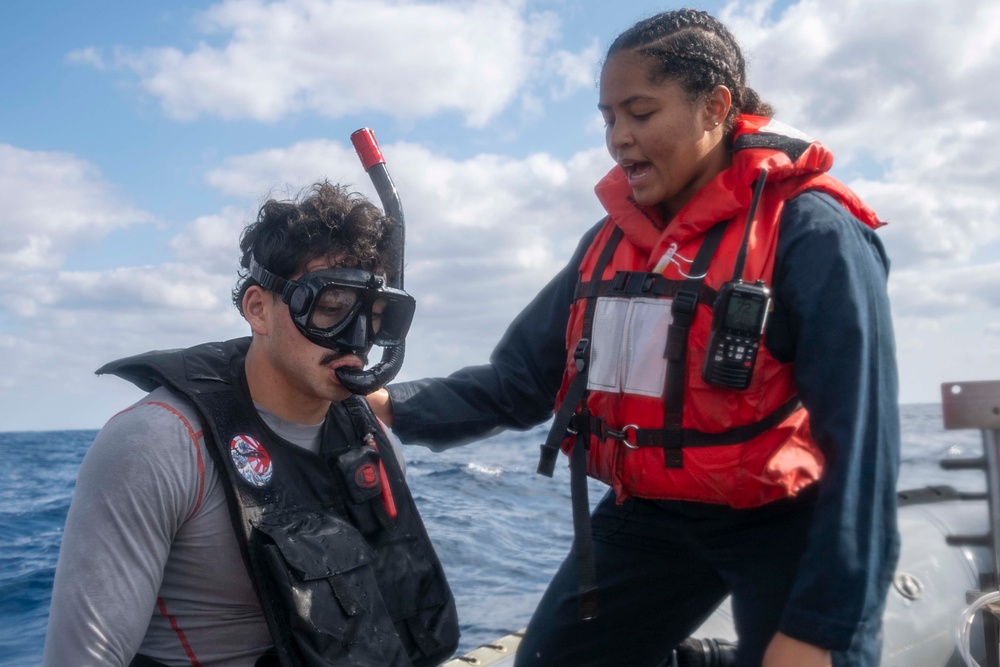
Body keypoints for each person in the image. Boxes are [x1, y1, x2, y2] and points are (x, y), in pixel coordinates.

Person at [367, 9, 899, 667]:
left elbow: (864, 449)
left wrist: (820, 629)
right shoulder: (607, 246)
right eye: (608, 118)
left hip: (782, 512)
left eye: (640, 114)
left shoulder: (814, 235)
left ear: (716, 107)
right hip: (654, 515)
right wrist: (391, 405)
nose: (619, 138)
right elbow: (521, 382)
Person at [43, 181, 459, 667]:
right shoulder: (159, 445)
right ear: (258, 308)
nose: (357, 340)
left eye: (376, 317)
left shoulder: (373, 442)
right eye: (331, 309)